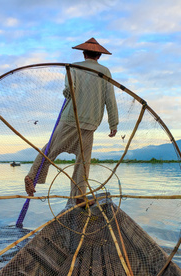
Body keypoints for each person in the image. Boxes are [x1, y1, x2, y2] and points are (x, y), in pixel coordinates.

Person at [24, 38, 118, 207]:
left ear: (84, 54)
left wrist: (69, 92)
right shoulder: (105, 71)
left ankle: (32, 176)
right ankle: (79, 195)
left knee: (50, 150)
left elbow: (69, 91)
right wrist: (113, 123)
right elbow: (110, 99)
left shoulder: (73, 68)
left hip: (70, 118)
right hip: (91, 122)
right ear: (99, 56)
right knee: (83, 161)